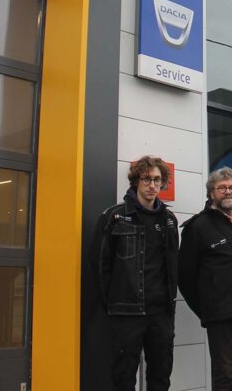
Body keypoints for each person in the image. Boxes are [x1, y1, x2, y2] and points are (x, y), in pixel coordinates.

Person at [91, 156, 178, 391]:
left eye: (157, 180)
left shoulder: (169, 220)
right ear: (136, 181)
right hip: (126, 312)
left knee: (161, 376)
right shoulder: (114, 216)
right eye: (147, 179)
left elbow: (172, 266)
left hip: (161, 312)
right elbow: (100, 267)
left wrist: (170, 307)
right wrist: (112, 305)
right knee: (124, 377)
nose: (152, 185)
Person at [178, 167, 232, 391]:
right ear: (211, 193)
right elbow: (185, 276)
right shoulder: (198, 226)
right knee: (224, 374)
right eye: (222, 188)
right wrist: (207, 309)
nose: (228, 192)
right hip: (220, 314)